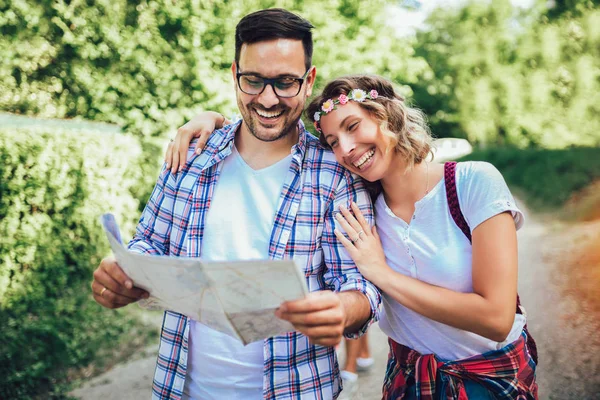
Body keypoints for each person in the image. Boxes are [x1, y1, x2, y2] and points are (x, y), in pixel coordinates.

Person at [166, 74, 539, 399]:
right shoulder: (358, 210)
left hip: (490, 380)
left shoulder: (473, 183)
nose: (344, 149)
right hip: (408, 382)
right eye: (331, 141)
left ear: (387, 118)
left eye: (352, 126)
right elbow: (271, 135)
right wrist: (211, 121)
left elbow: (496, 317)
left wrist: (381, 272)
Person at [90, 9, 381, 400]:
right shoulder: (190, 153)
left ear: (309, 81)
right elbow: (149, 244)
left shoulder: (336, 173)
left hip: (295, 390)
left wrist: (343, 308)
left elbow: (362, 285)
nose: (267, 98)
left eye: (285, 82)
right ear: (234, 75)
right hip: (180, 388)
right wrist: (121, 270)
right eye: (254, 81)